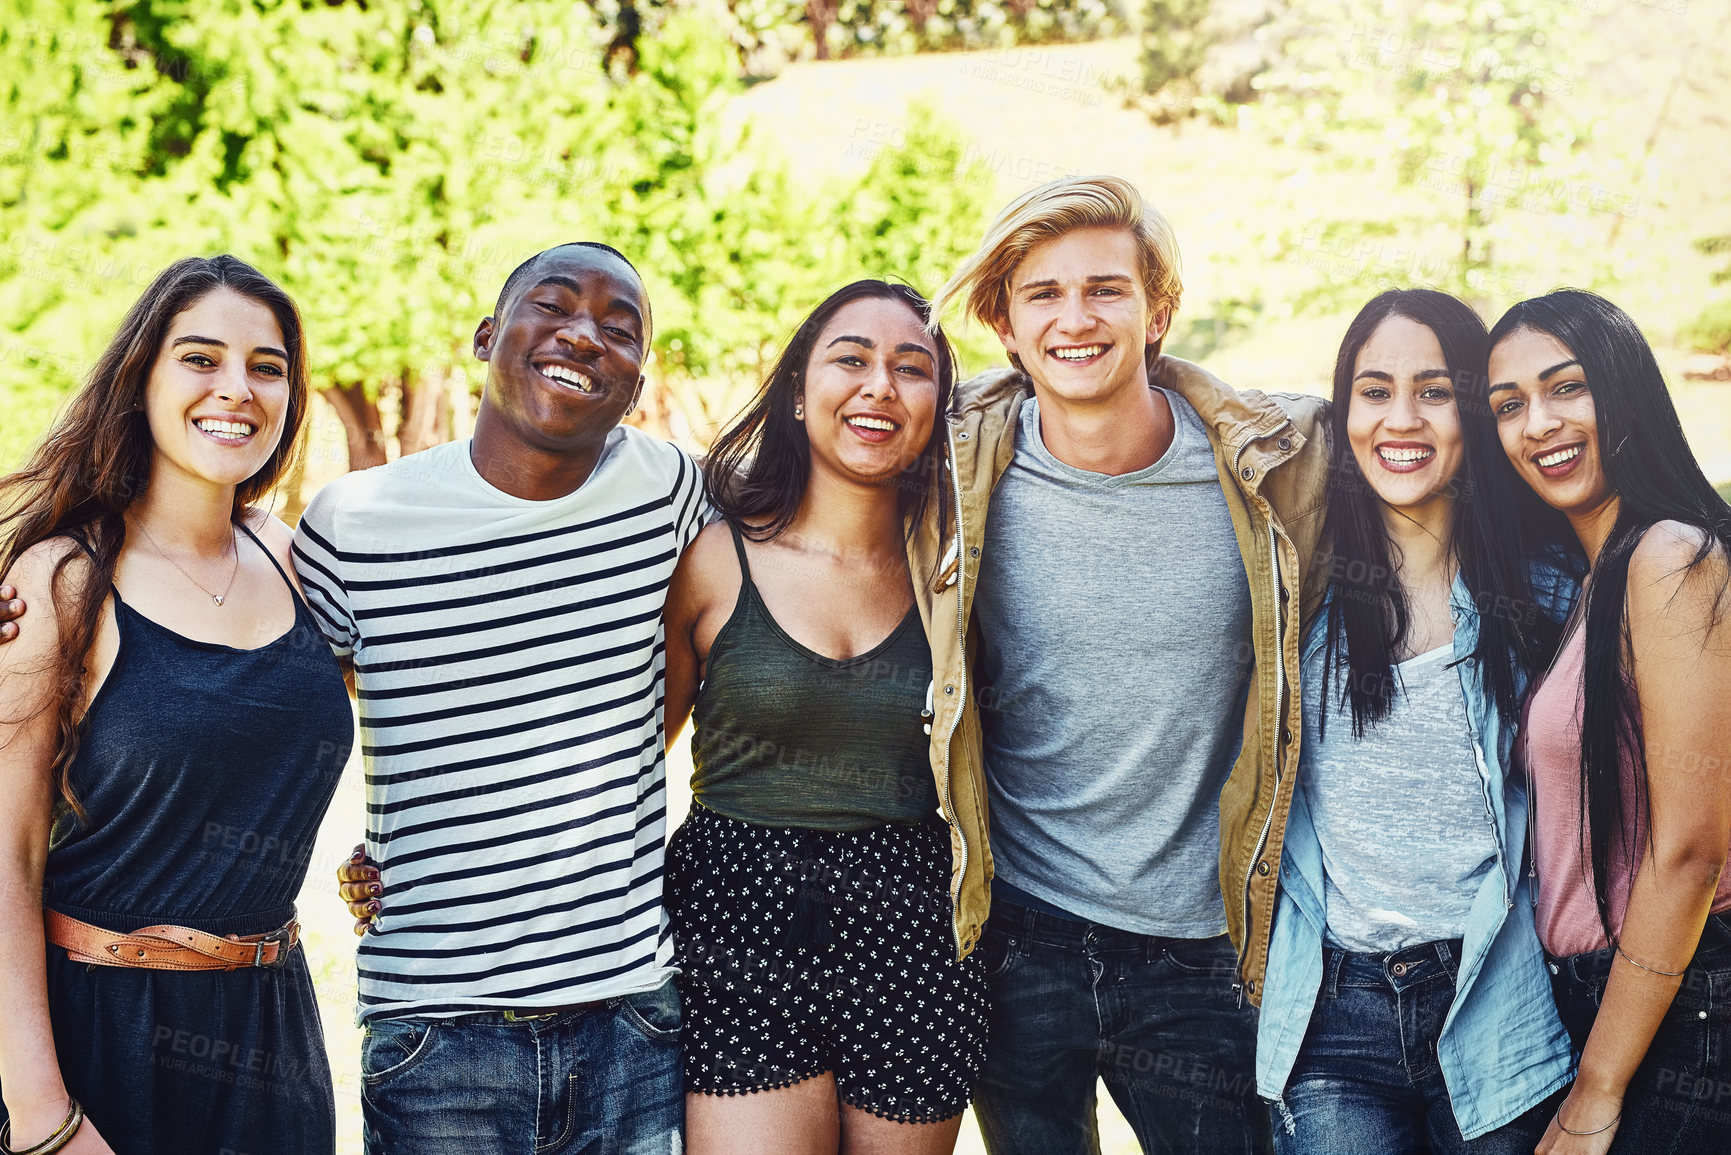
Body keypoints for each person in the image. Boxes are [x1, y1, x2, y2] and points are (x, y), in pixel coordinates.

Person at [924, 175, 1329, 1153]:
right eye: (1042, 295)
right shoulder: (951, 462)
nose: (1075, 319)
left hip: (1203, 942)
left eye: (1105, 289)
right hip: (1019, 929)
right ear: (1006, 328)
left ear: (1159, 312)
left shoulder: (1278, 460)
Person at [295, 242, 705, 1153]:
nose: (584, 334)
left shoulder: (673, 491)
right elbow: (258, 697)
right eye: (553, 305)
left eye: (620, 327)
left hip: (631, 1017)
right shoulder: (355, 525)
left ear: (636, 380)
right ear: (488, 337)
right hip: (436, 1029)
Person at [0, 255, 350, 1154]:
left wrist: (382, 853)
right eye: (201, 357)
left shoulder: (304, 562)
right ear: (142, 378)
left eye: (266, 366)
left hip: (275, 1038)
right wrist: (44, 1116)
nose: (236, 388)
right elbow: (5, 860)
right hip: (100, 1036)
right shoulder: (64, 579)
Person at [659, 280, 988, 1155]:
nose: (880, 385)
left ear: (937, 409)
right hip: (735, 922)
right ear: (799, 392)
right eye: (852, 359)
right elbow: (625, 754)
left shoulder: (958, 574)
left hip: (914, 928)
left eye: (910, 368)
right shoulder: (715, 557)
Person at [1255, 289, 1577, 1154]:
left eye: (1435, 391)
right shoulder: (1300, 595)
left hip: (1497, 996)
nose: (1401, 419)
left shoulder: (1545, 595)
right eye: (1373, 390)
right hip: (1333, 1015)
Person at [1487, 290, 1731, 1155]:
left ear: (1622, 387)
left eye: (1565, 387)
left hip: (1680, 1007)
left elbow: (1691, 849)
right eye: (1508, 405)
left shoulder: (1668, 557)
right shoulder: (1595, 581)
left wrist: (1597, 1087)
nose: (1537, 424)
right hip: (1610, 1001)